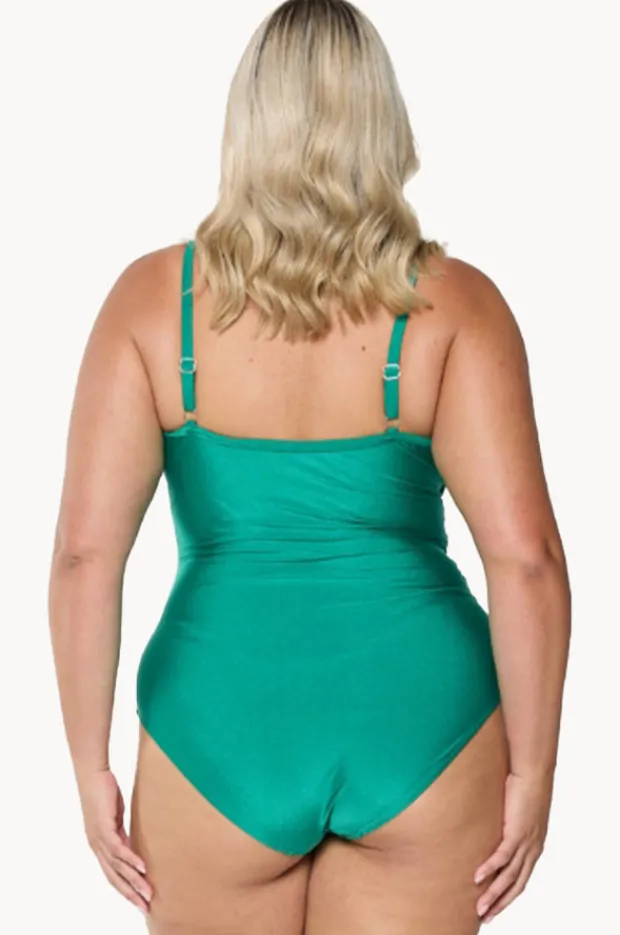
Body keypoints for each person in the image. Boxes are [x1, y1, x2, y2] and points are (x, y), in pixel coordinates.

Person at [48, 1, 571, 933]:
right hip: (423, 725)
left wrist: (90, 768)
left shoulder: (152, 302)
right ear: (384, 122)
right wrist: (533, 773)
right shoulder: (456, 306)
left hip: (218, 724)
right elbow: (527, 560)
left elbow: (85, 556)